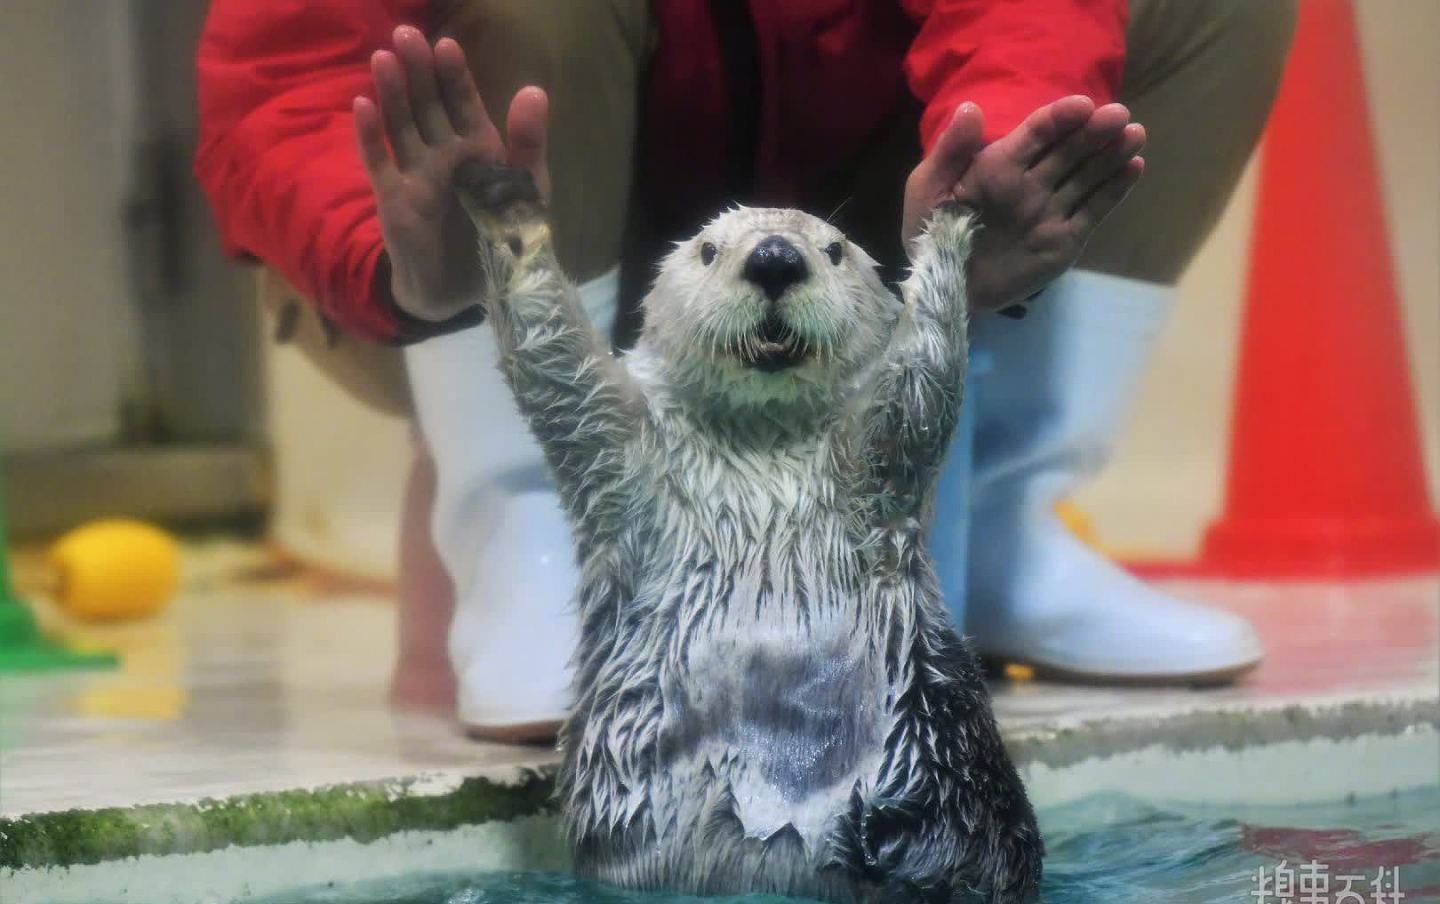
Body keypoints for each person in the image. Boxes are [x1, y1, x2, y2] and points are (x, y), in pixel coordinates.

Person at [196, 1, 1295, 739]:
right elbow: (279, 78)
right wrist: (398, 267)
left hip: (822, 235)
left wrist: (993, 154)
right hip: (473, 234)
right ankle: (544, 546)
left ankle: (998, 517)